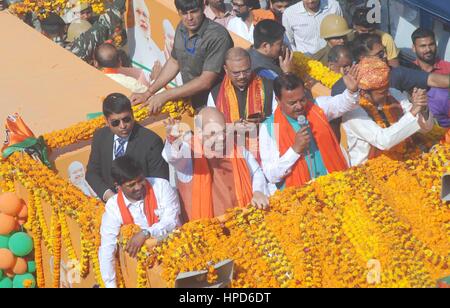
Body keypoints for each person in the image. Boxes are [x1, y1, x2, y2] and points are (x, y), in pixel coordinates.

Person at [259, 70, 360, 194]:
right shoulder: (269, 127)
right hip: (299, 198)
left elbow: (343, 103)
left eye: (302, 100)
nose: (299, 106)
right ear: (278, 100)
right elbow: (271, 175)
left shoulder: (317, 107)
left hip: (334, 187)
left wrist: (352, 91)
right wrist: (295, 150)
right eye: (292, 103)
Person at [163, 107, 269, 222]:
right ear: (199, 132)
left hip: (245, 223)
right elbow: (174, 158)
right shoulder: (189, 152)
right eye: (213, 133)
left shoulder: (235, 146)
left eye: (223, 130)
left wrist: (258, 191)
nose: (221, 137)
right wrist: (173, 140)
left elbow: (256, 172)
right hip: (208, 233)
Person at [130, 0, 234, 112]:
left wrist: (165, 95)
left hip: (217, 104)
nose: (189, 18)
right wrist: (148, 93)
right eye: (184, 13)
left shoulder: (218, 36)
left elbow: (205, 81)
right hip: (193, 102)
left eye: (194, 12)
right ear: (178, 12)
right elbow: (175, 62)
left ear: (203, 8)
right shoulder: (182, 27)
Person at [99, 155, 180, 288]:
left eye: (140, 180)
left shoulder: (161, 186)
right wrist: (110, 285)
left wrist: (145, 233)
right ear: (117, 186)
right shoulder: (113, 207)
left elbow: (171, 222)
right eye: (131, 185)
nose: (138, 187)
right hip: (143, 273)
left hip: (176, 256)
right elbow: (107, 248)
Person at [341, 57, 434, 166]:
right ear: (364, 93)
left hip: (404, 161)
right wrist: (413, 112)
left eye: (387, 88)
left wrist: (422, 108)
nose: (387, 94)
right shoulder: (354, 111)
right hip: (371, 172)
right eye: (382, 92)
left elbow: (425, 128)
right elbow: (383, 141)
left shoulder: (393, 93)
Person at [86, 93, 169, 203]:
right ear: (106, 122)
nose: (122, 126)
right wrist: (109, 197)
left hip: (144, 205)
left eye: (126, 119)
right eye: (115, 122)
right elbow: (92, 173)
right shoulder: (100, 137)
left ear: (132, 115)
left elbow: (160, 183)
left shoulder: (151, 142)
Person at [331, 33, 450, 96]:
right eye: (379, 54)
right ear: (363, 58)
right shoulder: (342, 87)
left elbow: (434, 80)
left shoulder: (395, 73)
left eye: (385, 52)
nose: (386, 57)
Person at [207, 48, 277, 123]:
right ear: (226, 69)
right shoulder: (215, 93)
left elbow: (281, 120)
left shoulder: (269, 87)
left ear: (251, 65)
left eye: (246, 71)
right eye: (236, 73)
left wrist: (263, 122)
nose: (242, 76)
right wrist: (232, 128)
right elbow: (210, 125)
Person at [411, 28, 450, 128]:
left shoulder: (447, 68)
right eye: (423, 46)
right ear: (414, 48)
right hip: (418, 127)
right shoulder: (408, 73)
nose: (428, 49)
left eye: (431, 44)